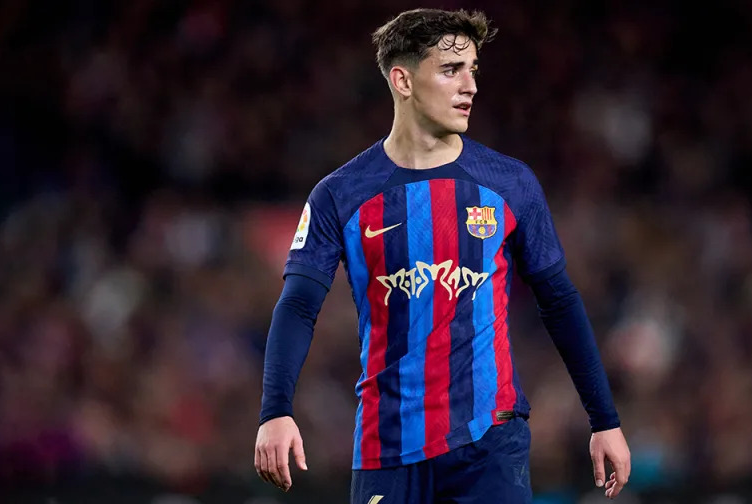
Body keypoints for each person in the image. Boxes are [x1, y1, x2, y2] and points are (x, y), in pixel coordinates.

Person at [254, 8, 631, 503]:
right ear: (402, 79)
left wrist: (604, 420)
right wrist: (275, 410)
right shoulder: (340, 195)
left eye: (474, 69)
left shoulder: (510, 183)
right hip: (387, 445)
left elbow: (559, 300)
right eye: (452, 70)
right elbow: (299, 305)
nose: (470, 85)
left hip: (490, 443)